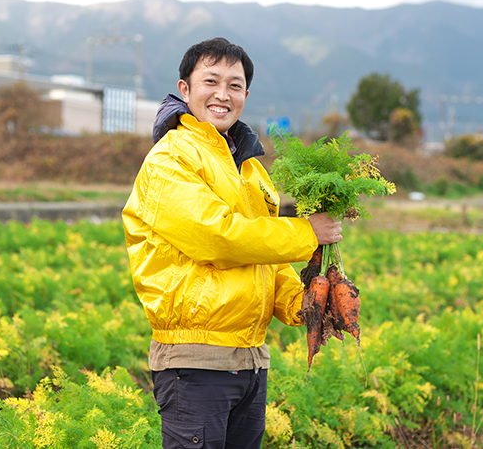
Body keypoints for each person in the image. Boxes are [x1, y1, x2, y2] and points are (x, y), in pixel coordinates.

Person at [122, 37, 342, 449]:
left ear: (245, 94)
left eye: (235, 85)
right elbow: (217, 238)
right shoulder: (170, 160)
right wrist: (307, 232)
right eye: (211, 81)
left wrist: (304, 303)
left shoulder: (248, 167)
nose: (223, 94)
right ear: (185, 89)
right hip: (196, 359)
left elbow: (265, 260)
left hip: (250, 361)